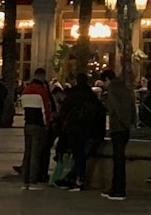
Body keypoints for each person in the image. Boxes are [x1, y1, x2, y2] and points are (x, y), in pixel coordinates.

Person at [55, 73, 103, 190]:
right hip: (89, 129)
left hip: (75, 128)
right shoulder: (92, 95)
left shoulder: (72, 95)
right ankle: (77, 179)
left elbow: (64, 111)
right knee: (81, 155)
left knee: (77, 154)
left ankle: (76, 179)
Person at [18, 67, 56, 189]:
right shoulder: (41, 91)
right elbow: (46, 110)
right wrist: (47, 124)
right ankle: (33, 181)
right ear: (42, 76)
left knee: (27, 153)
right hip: (38, 125)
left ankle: (25, 181)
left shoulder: (25, 91)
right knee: (35, 153)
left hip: (27, 124)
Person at [102, 68, 135, 201]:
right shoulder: (125, 88)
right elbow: (132, 106)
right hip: (126, 129)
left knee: (118, 160)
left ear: (107, 79)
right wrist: (131, 123)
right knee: (119, 160)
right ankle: (115, 188)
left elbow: (114, 108)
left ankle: (118, 190)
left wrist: (123, 123)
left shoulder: (112, 90)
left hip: (118, 128)